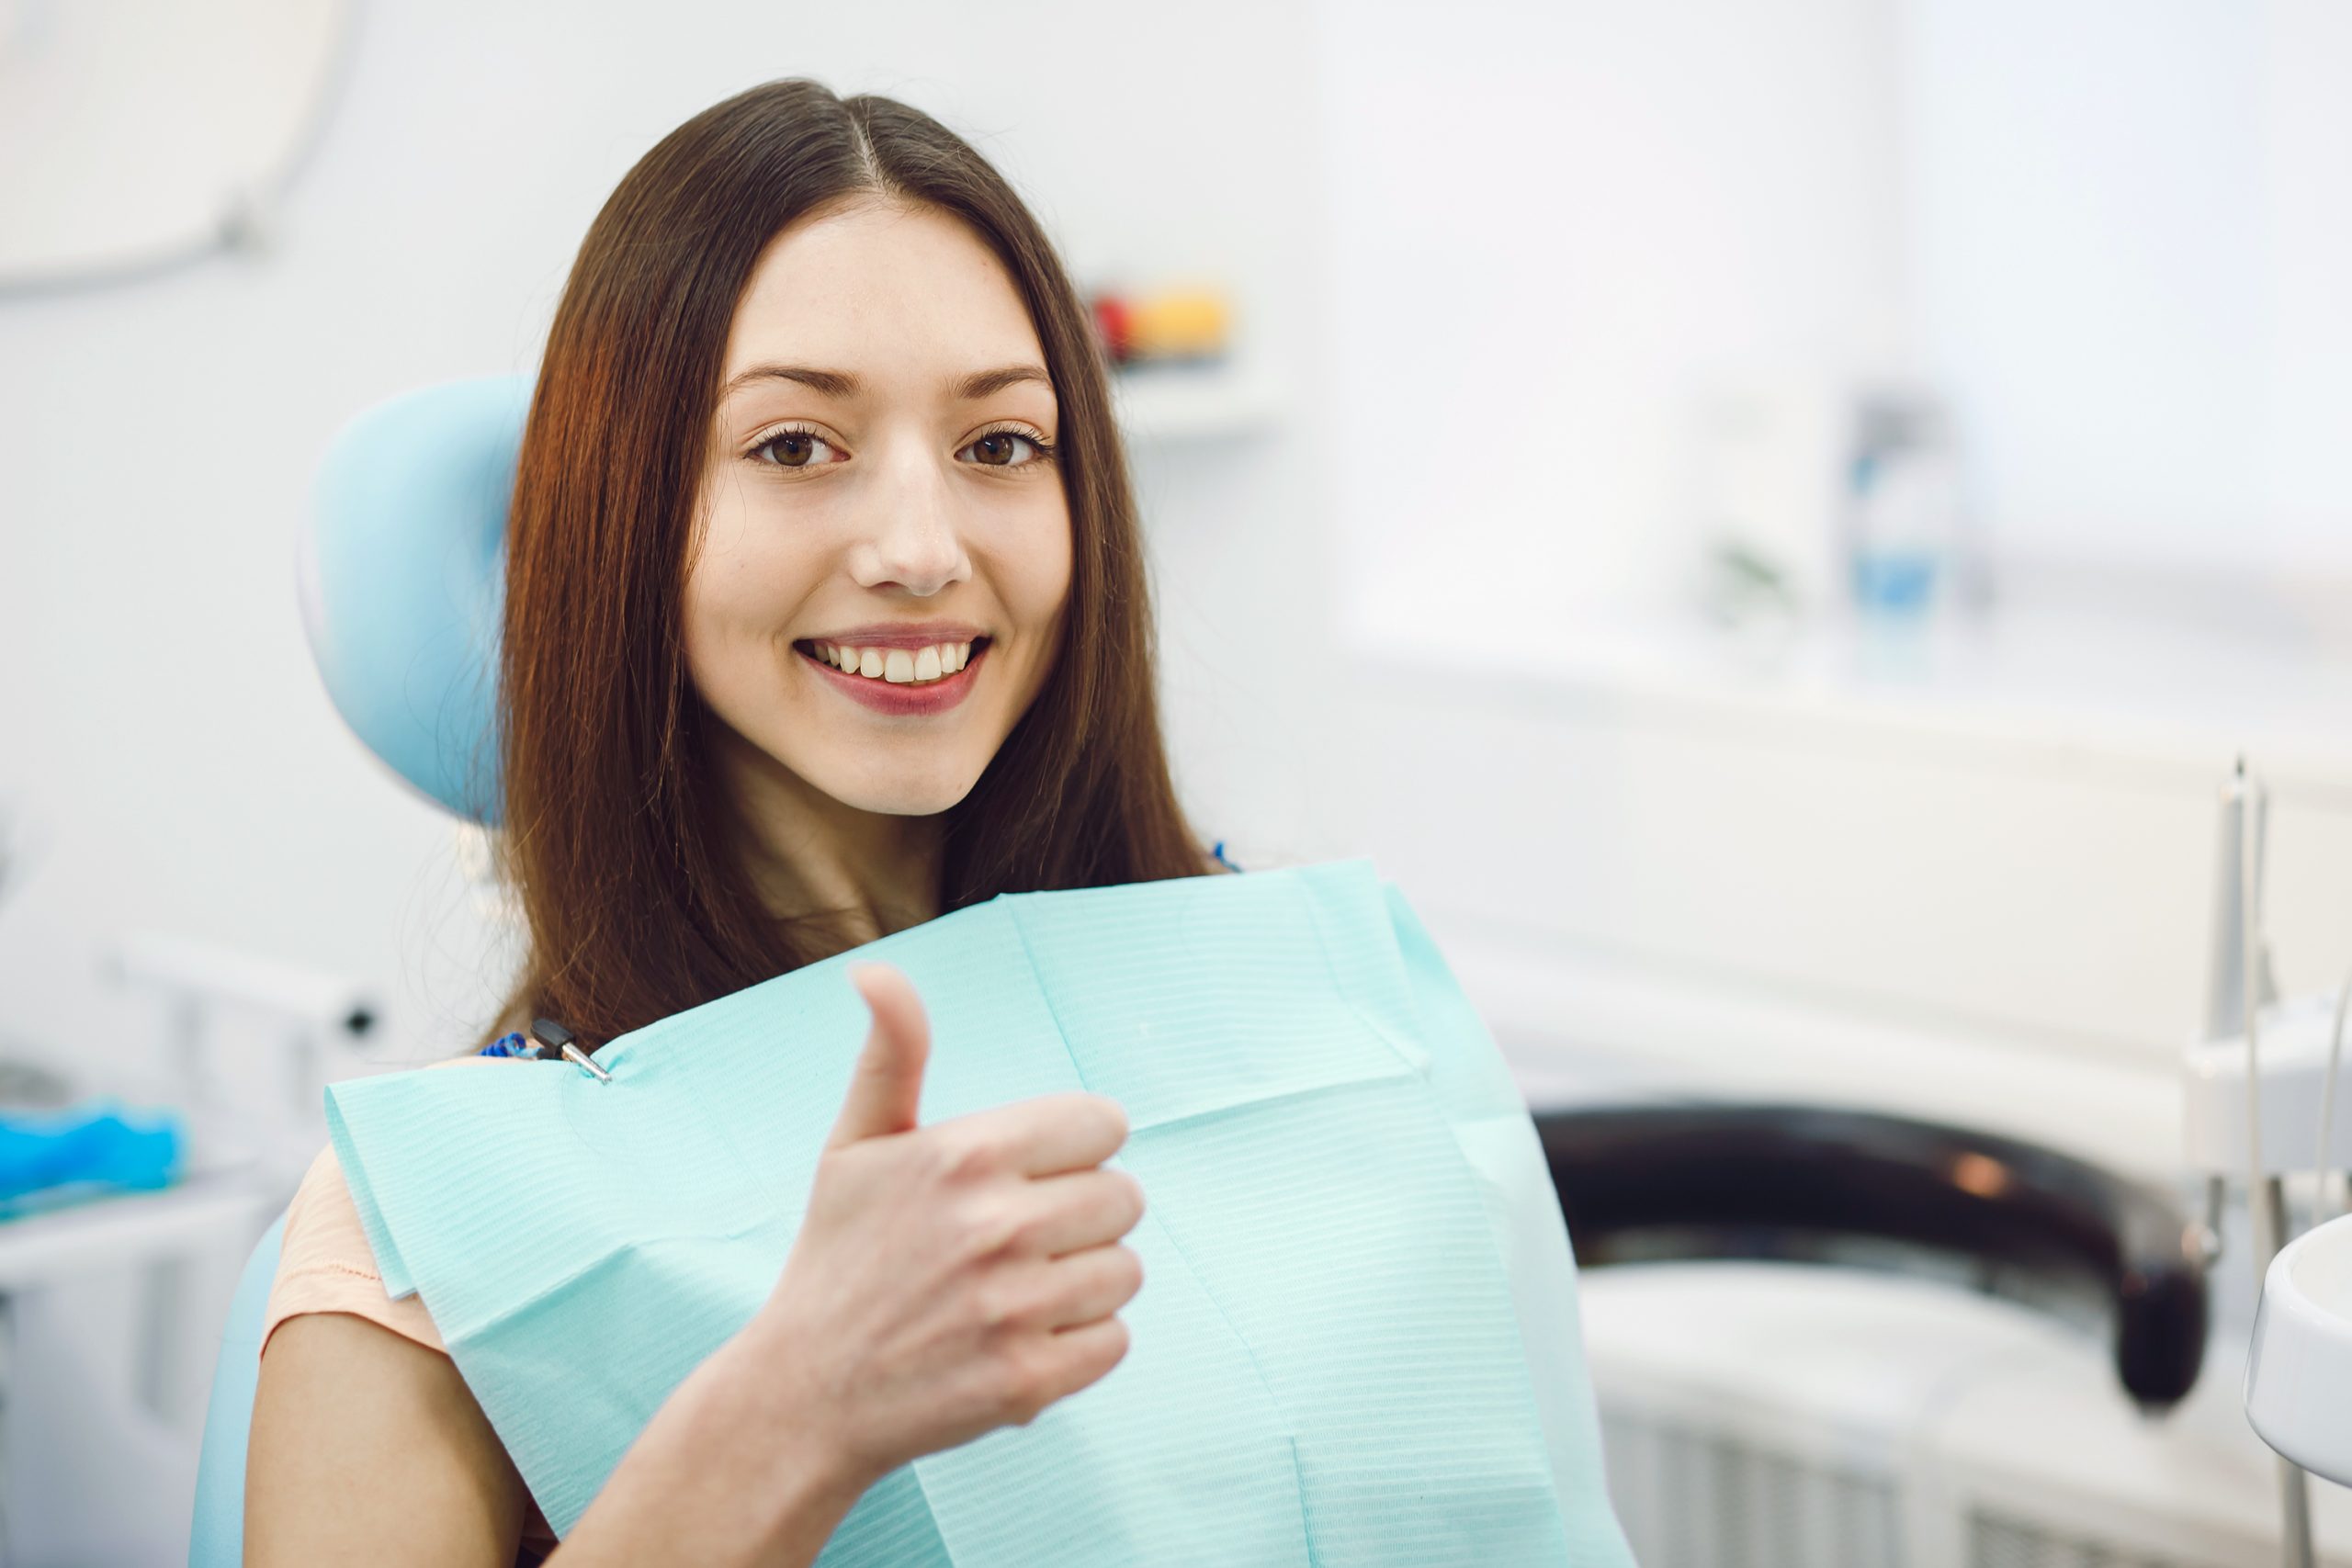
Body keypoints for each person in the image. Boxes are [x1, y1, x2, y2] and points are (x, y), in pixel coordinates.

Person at [246, 77, 1217, 1564]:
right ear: (625, 523)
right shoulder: (424, 1236)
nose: (919, 550)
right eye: (792, 448)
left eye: (1003, 445)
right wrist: (791, 1417)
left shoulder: (1259, 990)